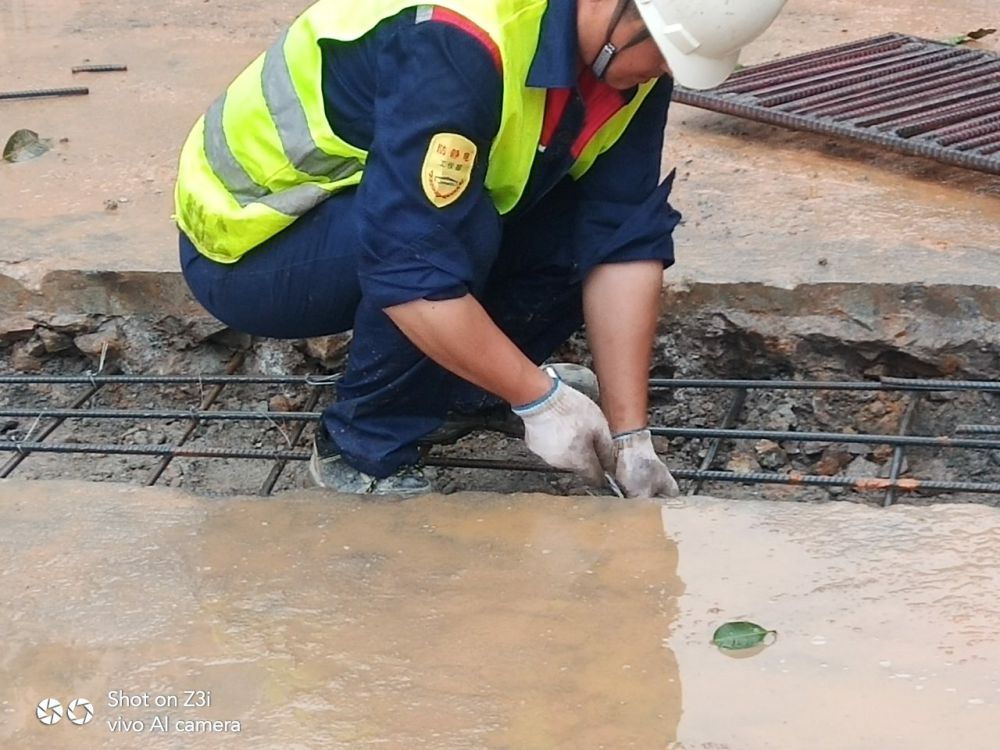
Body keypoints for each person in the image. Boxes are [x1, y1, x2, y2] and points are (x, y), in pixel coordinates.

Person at [174, 0, 787, 498]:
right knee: (456, 228)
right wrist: (540, 398)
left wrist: (632, 438)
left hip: (380, 215)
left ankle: (458, 395)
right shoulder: (458, 39)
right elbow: (410, 265)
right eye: (663, 52)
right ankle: (363, 449)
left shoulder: (631, 60)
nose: (664, 72)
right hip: (256, 243)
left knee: (561, 222)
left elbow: (621, 237)